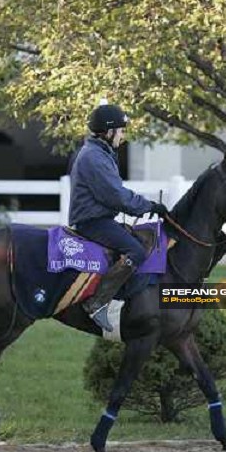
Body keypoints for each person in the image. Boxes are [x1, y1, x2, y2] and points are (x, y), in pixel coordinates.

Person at [69, 103, 168, 331]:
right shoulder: (94, 157)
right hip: (93, 223)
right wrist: (149, 206)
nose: (123, 136)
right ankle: (97, 304)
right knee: (136, 251)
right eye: (121, 131)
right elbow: (117, 196)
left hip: (101, 219)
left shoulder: (100, 154)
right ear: (109, 131)